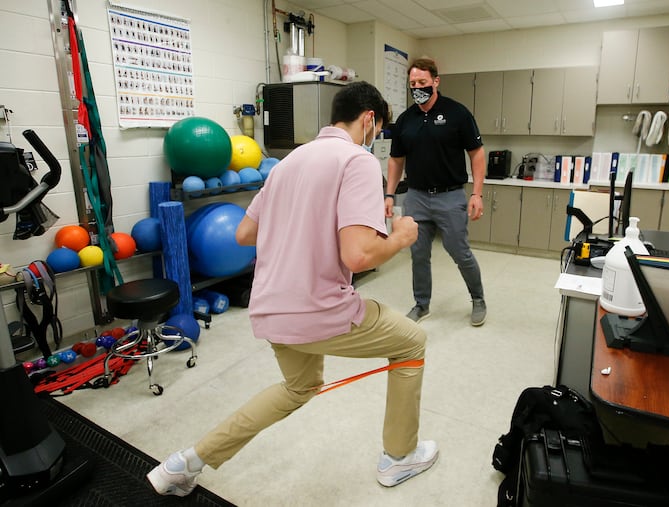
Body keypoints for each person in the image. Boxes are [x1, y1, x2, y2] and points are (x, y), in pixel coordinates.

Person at [147, 82, 438, 497]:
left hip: (270, 308)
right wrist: (401, 237)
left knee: (299, 388)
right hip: (320, 310)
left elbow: (246, 233)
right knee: (412, 340)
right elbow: (359, 256)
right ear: (369, 120)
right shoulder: (355, 161)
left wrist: (300, 222)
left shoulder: (287, 163)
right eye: (379, 129)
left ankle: (186, 462)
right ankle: (399, 457)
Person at [384, 57, 487, 326]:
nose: (417, 87)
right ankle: (421, 304)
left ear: (436, 81)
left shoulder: (458, 113)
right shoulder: (406, 120)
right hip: (416, 197)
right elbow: (396, 160)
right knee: (418, 253)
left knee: (459, 251)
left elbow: (476, 153)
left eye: (423, 82)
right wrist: (389, 194)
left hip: (450, 196)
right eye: (413, 83)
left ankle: (478, 299)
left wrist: (477, 193)